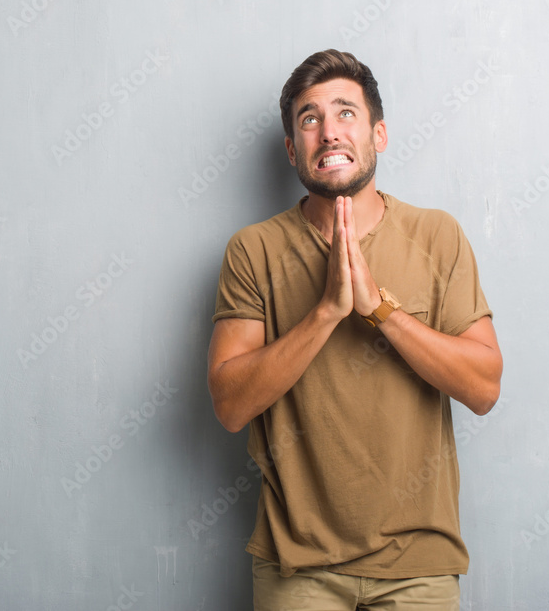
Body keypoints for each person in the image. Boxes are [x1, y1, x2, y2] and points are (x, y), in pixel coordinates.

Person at [206, 49, 503, 610]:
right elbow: (230, 404)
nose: (329, 132)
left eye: (346, 112)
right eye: (310, 118)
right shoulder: (253, 250)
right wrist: (326, 312)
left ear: (378, 134)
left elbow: (484, 387)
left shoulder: (438, 236)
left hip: (419, 565)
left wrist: (380, 311)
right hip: (297, 568)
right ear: (294, 149)